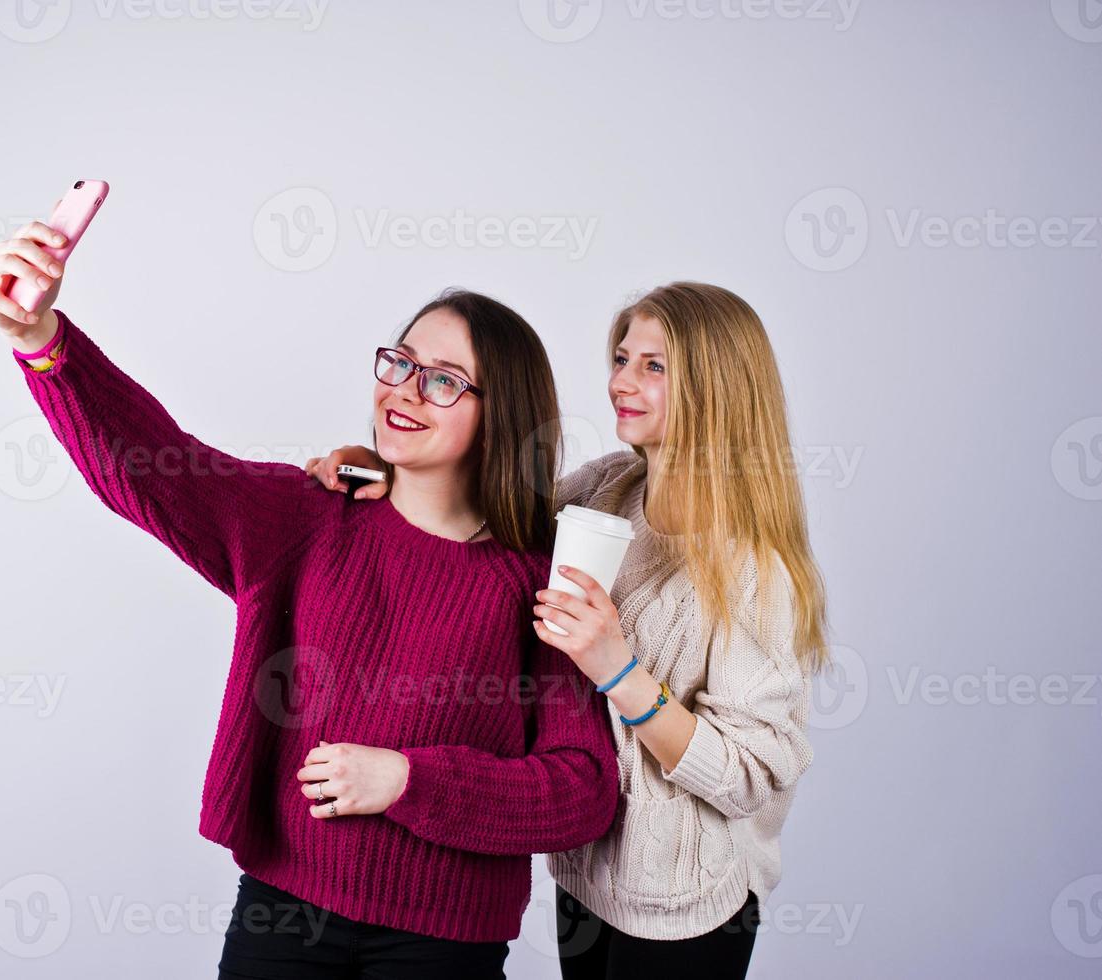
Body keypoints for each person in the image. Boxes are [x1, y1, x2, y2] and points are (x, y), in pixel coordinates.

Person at [0, 215, 621, 979]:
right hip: (280, 917)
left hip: (445, 943)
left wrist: (408, 780)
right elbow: (152, 469)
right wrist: (42, 340)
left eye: (442, 380)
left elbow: (579, 791)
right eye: (399, 363)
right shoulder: (306, 516)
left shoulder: (537, 581)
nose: (405, 390)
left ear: (500, 411)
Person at [304, 281, 828, 978]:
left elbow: (749, 778)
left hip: (689, 902)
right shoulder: (607, 488)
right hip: (589, 877)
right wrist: (384, 465)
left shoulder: (753, 571)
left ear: (717, 388)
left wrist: (617, 670)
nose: (620, 382)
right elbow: (493, 526)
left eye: (653, 366)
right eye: (620, 357)